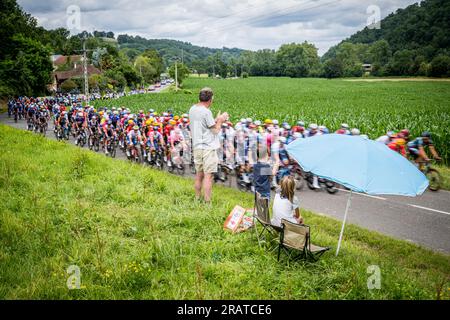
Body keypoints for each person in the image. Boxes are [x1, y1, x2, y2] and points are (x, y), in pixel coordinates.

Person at [189, 88, 228, 203]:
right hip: (207, 148)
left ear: (199, 97)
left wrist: (215, 119)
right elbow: (215, 130)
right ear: (211, 99)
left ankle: (196, 198)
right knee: (208, 176)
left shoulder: (192, 109)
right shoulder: (206, 111)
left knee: (199, 175)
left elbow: (204, 124)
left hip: (197, 146)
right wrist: (221, 120)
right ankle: (207, 203)